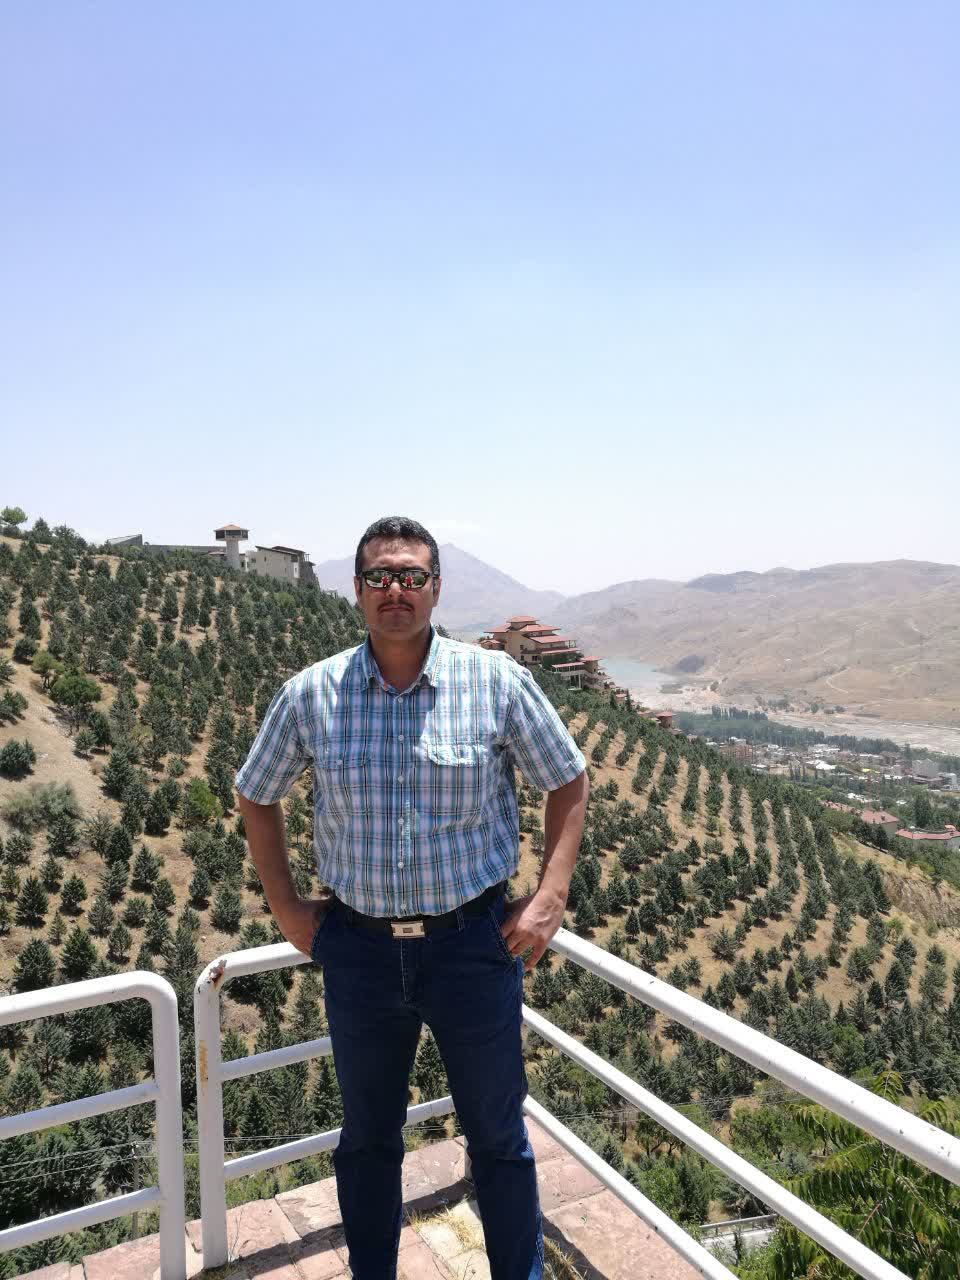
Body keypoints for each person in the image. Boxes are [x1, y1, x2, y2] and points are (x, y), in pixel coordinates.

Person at [236, 515, 589, 1280]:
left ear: (436, 587)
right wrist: (288, 910)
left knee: (498, 1139)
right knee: (367, 1142)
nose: (395, 589)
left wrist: (550, 895)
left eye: (411, 575)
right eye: (380, 575)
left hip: (473, 948)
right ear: (357, 589)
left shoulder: (495, 682)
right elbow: (255, 794)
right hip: (359, 952)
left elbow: (568, 778)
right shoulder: (311, 695)